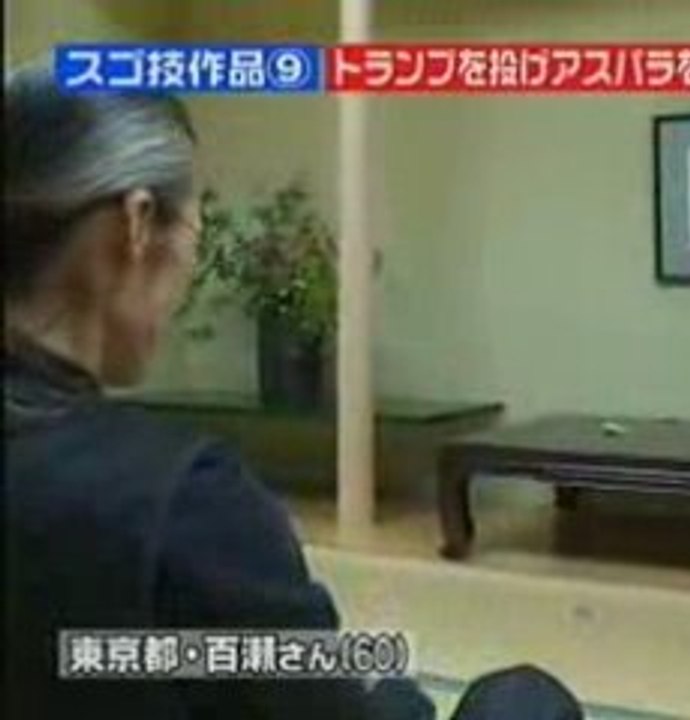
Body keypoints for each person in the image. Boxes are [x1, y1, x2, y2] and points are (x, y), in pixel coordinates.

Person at [3, 63, 584, 720]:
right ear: (134, 227)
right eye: (196, 234)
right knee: (523, 698)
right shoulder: (185, 504)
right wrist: (393, 689)